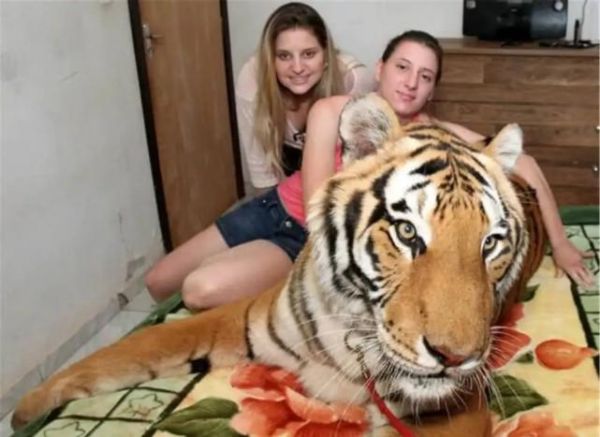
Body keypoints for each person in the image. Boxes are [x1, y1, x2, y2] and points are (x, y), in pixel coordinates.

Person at [300, 30, 594, 288]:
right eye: (402, 67)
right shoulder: (333, 110)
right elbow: (317, 208)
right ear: (379, 69)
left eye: (425, 76)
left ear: (432, 91)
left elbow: (525, 163)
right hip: (296, 225)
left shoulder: (435, 133)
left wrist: (560, 244)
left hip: (361, 247)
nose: (411, 82)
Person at [144, 2, 374, 309]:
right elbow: (262, 172)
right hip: (276, 197)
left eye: (309, 54)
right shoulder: (252, 79)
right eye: (284, 56)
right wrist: (256, 241)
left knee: (204, 288)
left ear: (327, 55)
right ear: (270, 59)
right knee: (159, 281)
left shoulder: (354, 80)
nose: (297, 67)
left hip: (316, 215)